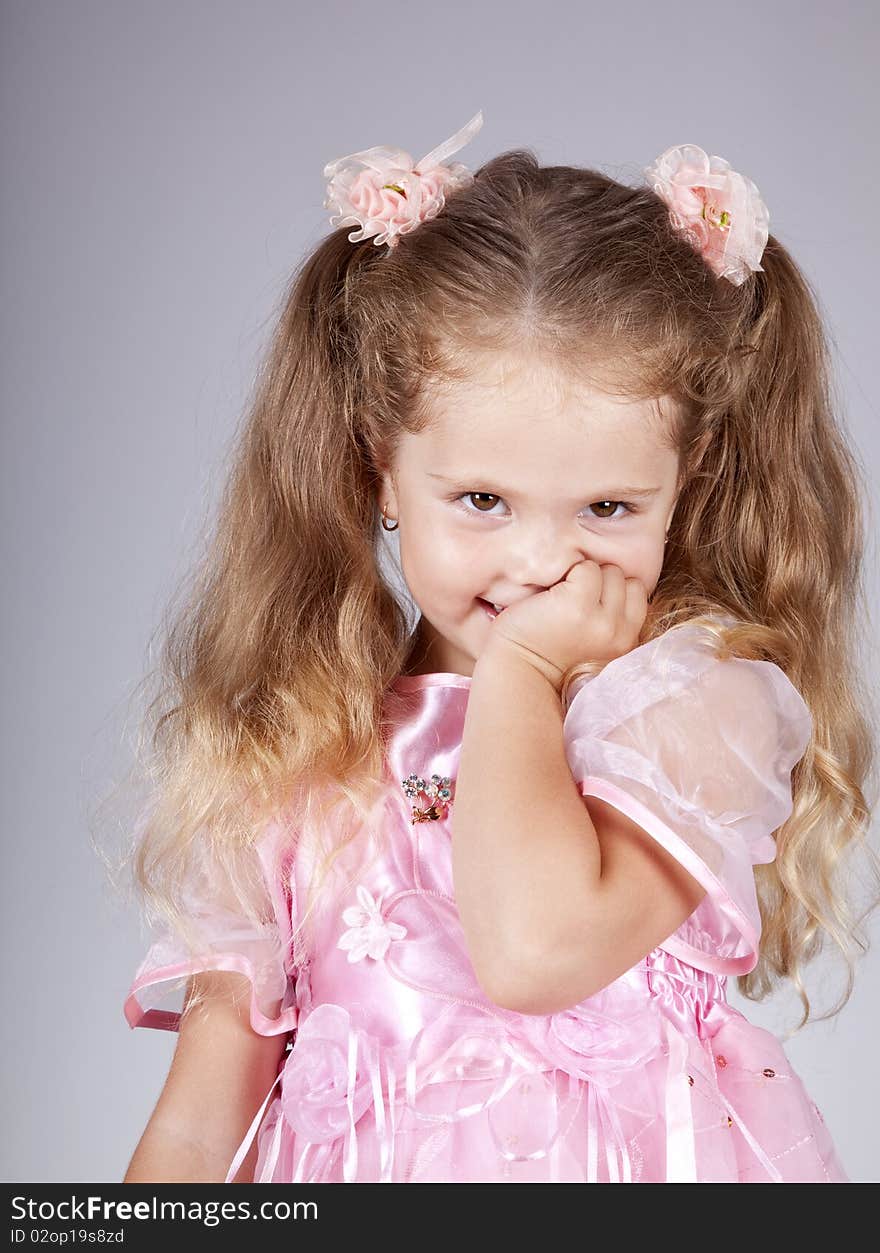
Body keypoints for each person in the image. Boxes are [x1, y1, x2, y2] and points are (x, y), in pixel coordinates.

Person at [117, 111, 877, 1183]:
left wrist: (519, 674)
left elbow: (533, 951)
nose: (537, 563)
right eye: (482, 498)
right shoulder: (299, 744)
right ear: (381, 462)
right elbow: (201, 1125)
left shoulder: (697, 711)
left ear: (688, 478)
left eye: (607, 505)